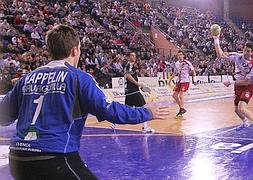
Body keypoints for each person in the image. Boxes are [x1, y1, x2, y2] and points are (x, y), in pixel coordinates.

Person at [0, 24, 170, 180]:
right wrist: (148, 112)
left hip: (17, 159)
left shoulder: (26, 79)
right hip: (54, 157)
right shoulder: (79, 78)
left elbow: (3, 116)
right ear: (75, 50)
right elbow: (109, 111)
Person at [213, 32, 253, 130]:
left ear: (251, 52)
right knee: (236, 110)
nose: (245, 53)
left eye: (248, 51)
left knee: (241, 108)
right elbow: (220, 55)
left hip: (248, 86)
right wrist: (216, 39)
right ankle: (245, 122)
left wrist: (230, 82)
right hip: (238, 86)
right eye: (244, 50)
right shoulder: (237, 56)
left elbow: (246, 82)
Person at [124, 52, 155, 133]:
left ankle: (113, 124)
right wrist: (138, 84)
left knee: (125, 110)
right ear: (128, 57)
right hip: (133, 91)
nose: (133, 57)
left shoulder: (132, 66)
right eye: (131, 55)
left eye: (134, 55)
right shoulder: (129, 65)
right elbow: (128, 76)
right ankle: (145, 127)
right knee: (143, 107)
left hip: (130, 91)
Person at [169, 50, 197, 117]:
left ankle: (181, 110)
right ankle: (182, 108)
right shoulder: (176, 63)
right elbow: (175, 72)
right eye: (178, 55)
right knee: (174, 96)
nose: (179, 56)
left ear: (183, 55)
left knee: (181, 96)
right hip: (179, 81)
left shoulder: (187, 63)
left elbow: (193, 71)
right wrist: (170, 79)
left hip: (185, 81)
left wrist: (194, 79)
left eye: (181, 54)